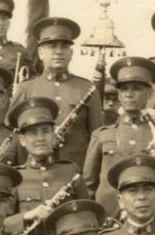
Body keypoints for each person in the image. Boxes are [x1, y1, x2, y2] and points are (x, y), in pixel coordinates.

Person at [8, 95, 89, 235]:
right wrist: (26, 216)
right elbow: (2, 225)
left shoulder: (71, 171)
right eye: (32, 133)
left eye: (45, 131)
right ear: (22, 140)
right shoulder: (15, 178)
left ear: (54, 135)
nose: (40, 138)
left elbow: (86, 217)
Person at [84, 56, 155, 212]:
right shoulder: (102, 135)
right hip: (107, 218)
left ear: (149, 93)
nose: (129, 94)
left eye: (136, 88)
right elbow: (89, 186)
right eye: (124, 89)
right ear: (118, 94)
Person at [16, 15, 103, 168]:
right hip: (35, 174)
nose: (58, 52)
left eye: (64, 47)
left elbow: (97, 140)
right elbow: (14, 137)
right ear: (41, 53)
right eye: (52, 46)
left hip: (76, 172)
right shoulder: (26, 89)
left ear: (71, 53)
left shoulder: (87, 89)